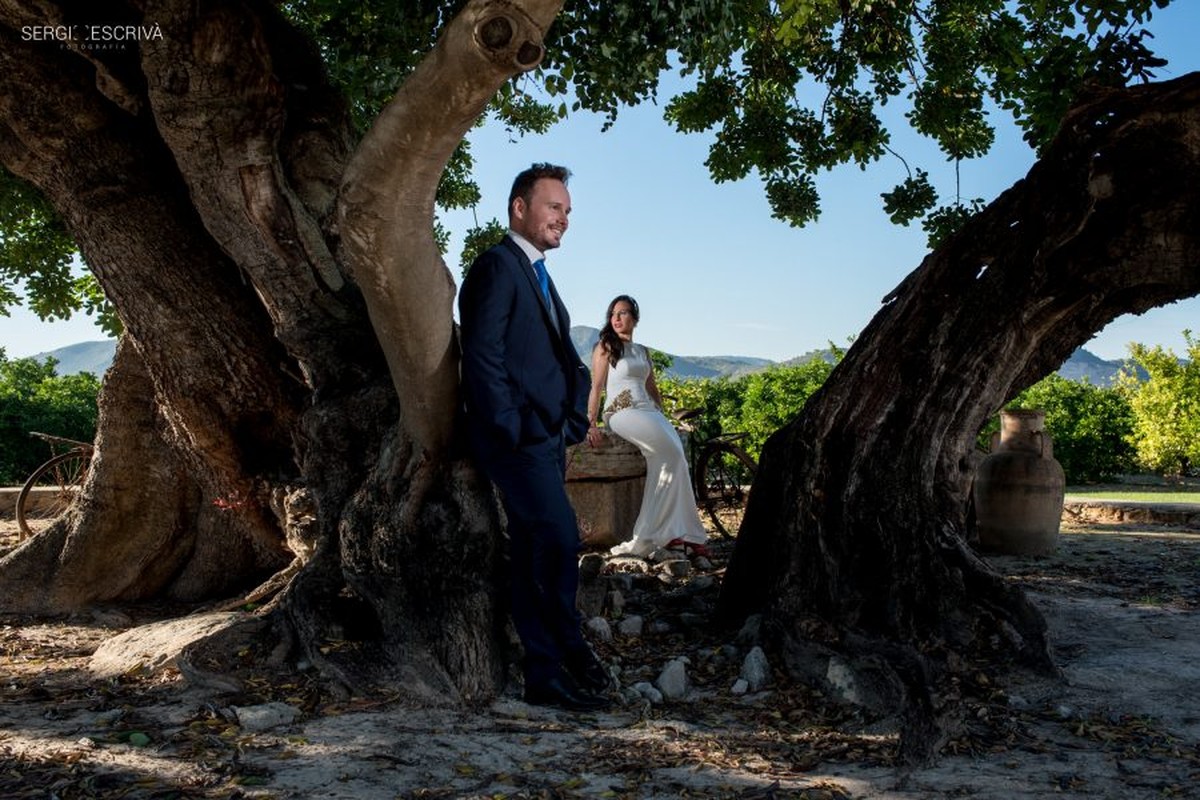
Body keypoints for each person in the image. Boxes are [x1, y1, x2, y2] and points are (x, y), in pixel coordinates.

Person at [458, 163, 610, 712]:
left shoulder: (539, 273)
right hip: (516, 442)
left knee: (531, 551)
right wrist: (515, 428)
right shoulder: (496, 266)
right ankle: (566, 648)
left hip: (547, 438)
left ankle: (544, 674)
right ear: (519, 207)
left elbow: (562, 359)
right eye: (553, 207)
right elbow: (482, 356)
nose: (563, 218)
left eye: (567, 210)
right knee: (560, 539)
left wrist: (571, 421)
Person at [586, 295, 710, 558]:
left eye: (623, 313)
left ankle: (679, 534)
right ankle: (659, 534)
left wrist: (663, 417)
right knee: (671, 454)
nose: (617, 318)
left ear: (635, 318)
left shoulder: (642, 351)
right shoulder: (605, 346)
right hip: (621, 411)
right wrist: (591, 424)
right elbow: (596, 387)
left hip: (649, 411)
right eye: (613, 314)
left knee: (675, 458)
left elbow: (651, 388)